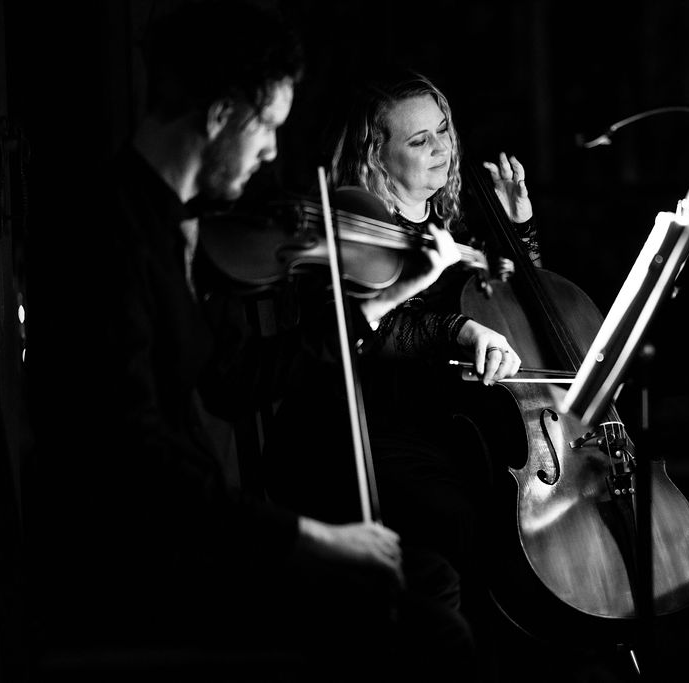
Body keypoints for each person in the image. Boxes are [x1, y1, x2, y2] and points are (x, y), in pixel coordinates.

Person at [25, 4, 474, 680]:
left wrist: (381, 302)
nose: (270, 152)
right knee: (432, 628)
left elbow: (235, 381)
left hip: (194, 533)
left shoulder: (174, 224)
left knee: (428, 580)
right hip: (141, 561)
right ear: (220, 116)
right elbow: (135, 458)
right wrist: (309, 535)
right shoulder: (105, 235)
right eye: (266, 127)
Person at [261, 68, 544, 679]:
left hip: (446, 432)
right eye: (419, 140)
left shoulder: (453, 227)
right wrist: (457, 330)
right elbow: (375, 331)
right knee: (465, 520)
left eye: (443, 130)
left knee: (512, 514)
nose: (442, 148)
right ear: (375, 156)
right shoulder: (352, 227)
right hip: (365, 437)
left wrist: (518, 229)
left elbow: (519, 309)